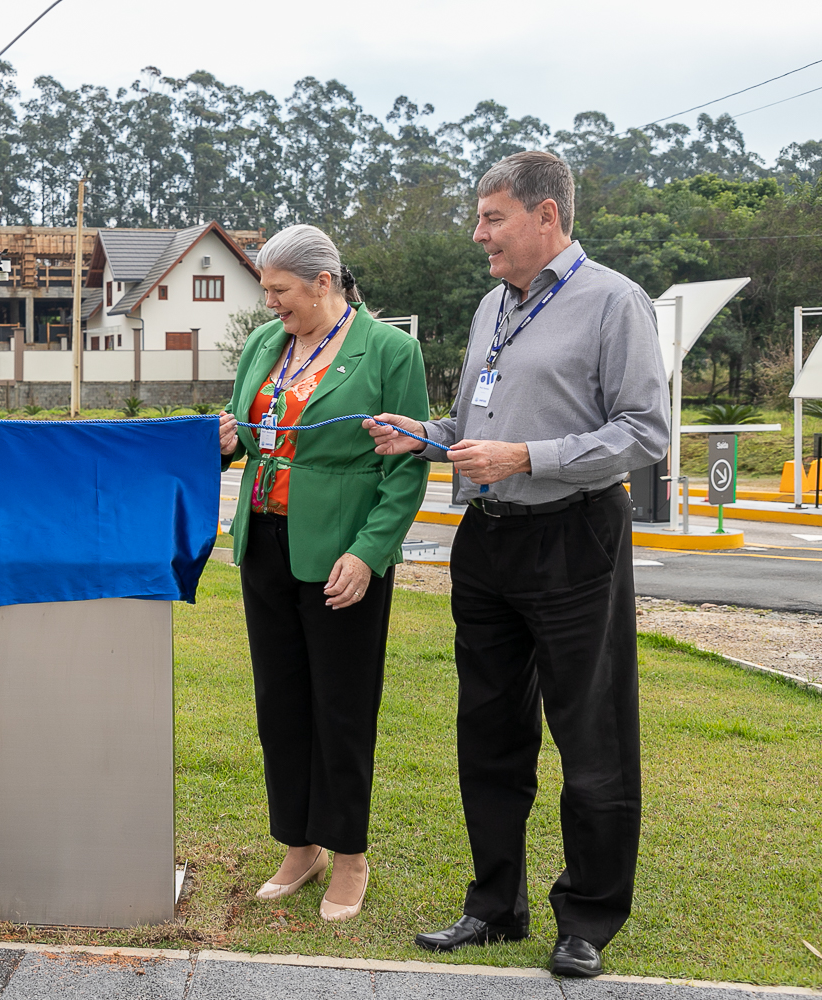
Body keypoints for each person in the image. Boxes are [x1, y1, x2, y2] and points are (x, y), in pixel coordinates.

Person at [367, 151, 669, 978]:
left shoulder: (614, 302)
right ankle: (493, 905)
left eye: (492, 217)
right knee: (490, 732)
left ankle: (589, 919)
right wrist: (426, 435)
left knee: (591, 731)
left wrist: (527, 456)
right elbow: (478, 423)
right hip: (490, 540)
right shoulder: (493, 307)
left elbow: (644, 431)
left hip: (576, 536)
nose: (478, 234)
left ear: (547, 216)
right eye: (480, 217)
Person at [216, 224, 429, 922]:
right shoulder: (262, 345)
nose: (270, 305)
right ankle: (298, 843)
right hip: (266, 545)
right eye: (265, 291)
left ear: (325, 284)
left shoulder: (390, 351)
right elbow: (248, 429)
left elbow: (403, 468)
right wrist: (226, 439)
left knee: (341, 707)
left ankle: (349, 855)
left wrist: (369, 553)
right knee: (281, 707)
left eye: (280, 292)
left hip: (341, 551)